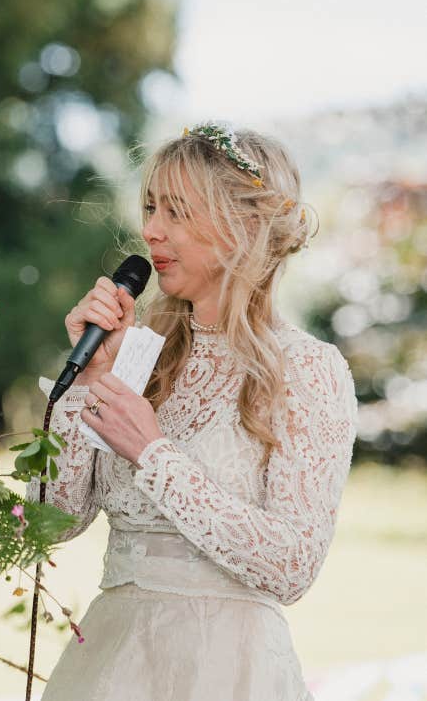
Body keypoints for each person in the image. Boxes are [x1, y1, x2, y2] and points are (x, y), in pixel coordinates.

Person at [37, 123, 357, 701]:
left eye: (177, 212)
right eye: (151, 207)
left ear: (244, 228)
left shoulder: (308, 369)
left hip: (228, 671)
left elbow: (293, 566)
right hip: (109, 665)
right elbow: (54, 521)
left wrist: (153, 455)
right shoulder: (138, 353)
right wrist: (88, 380)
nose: (151, 230)